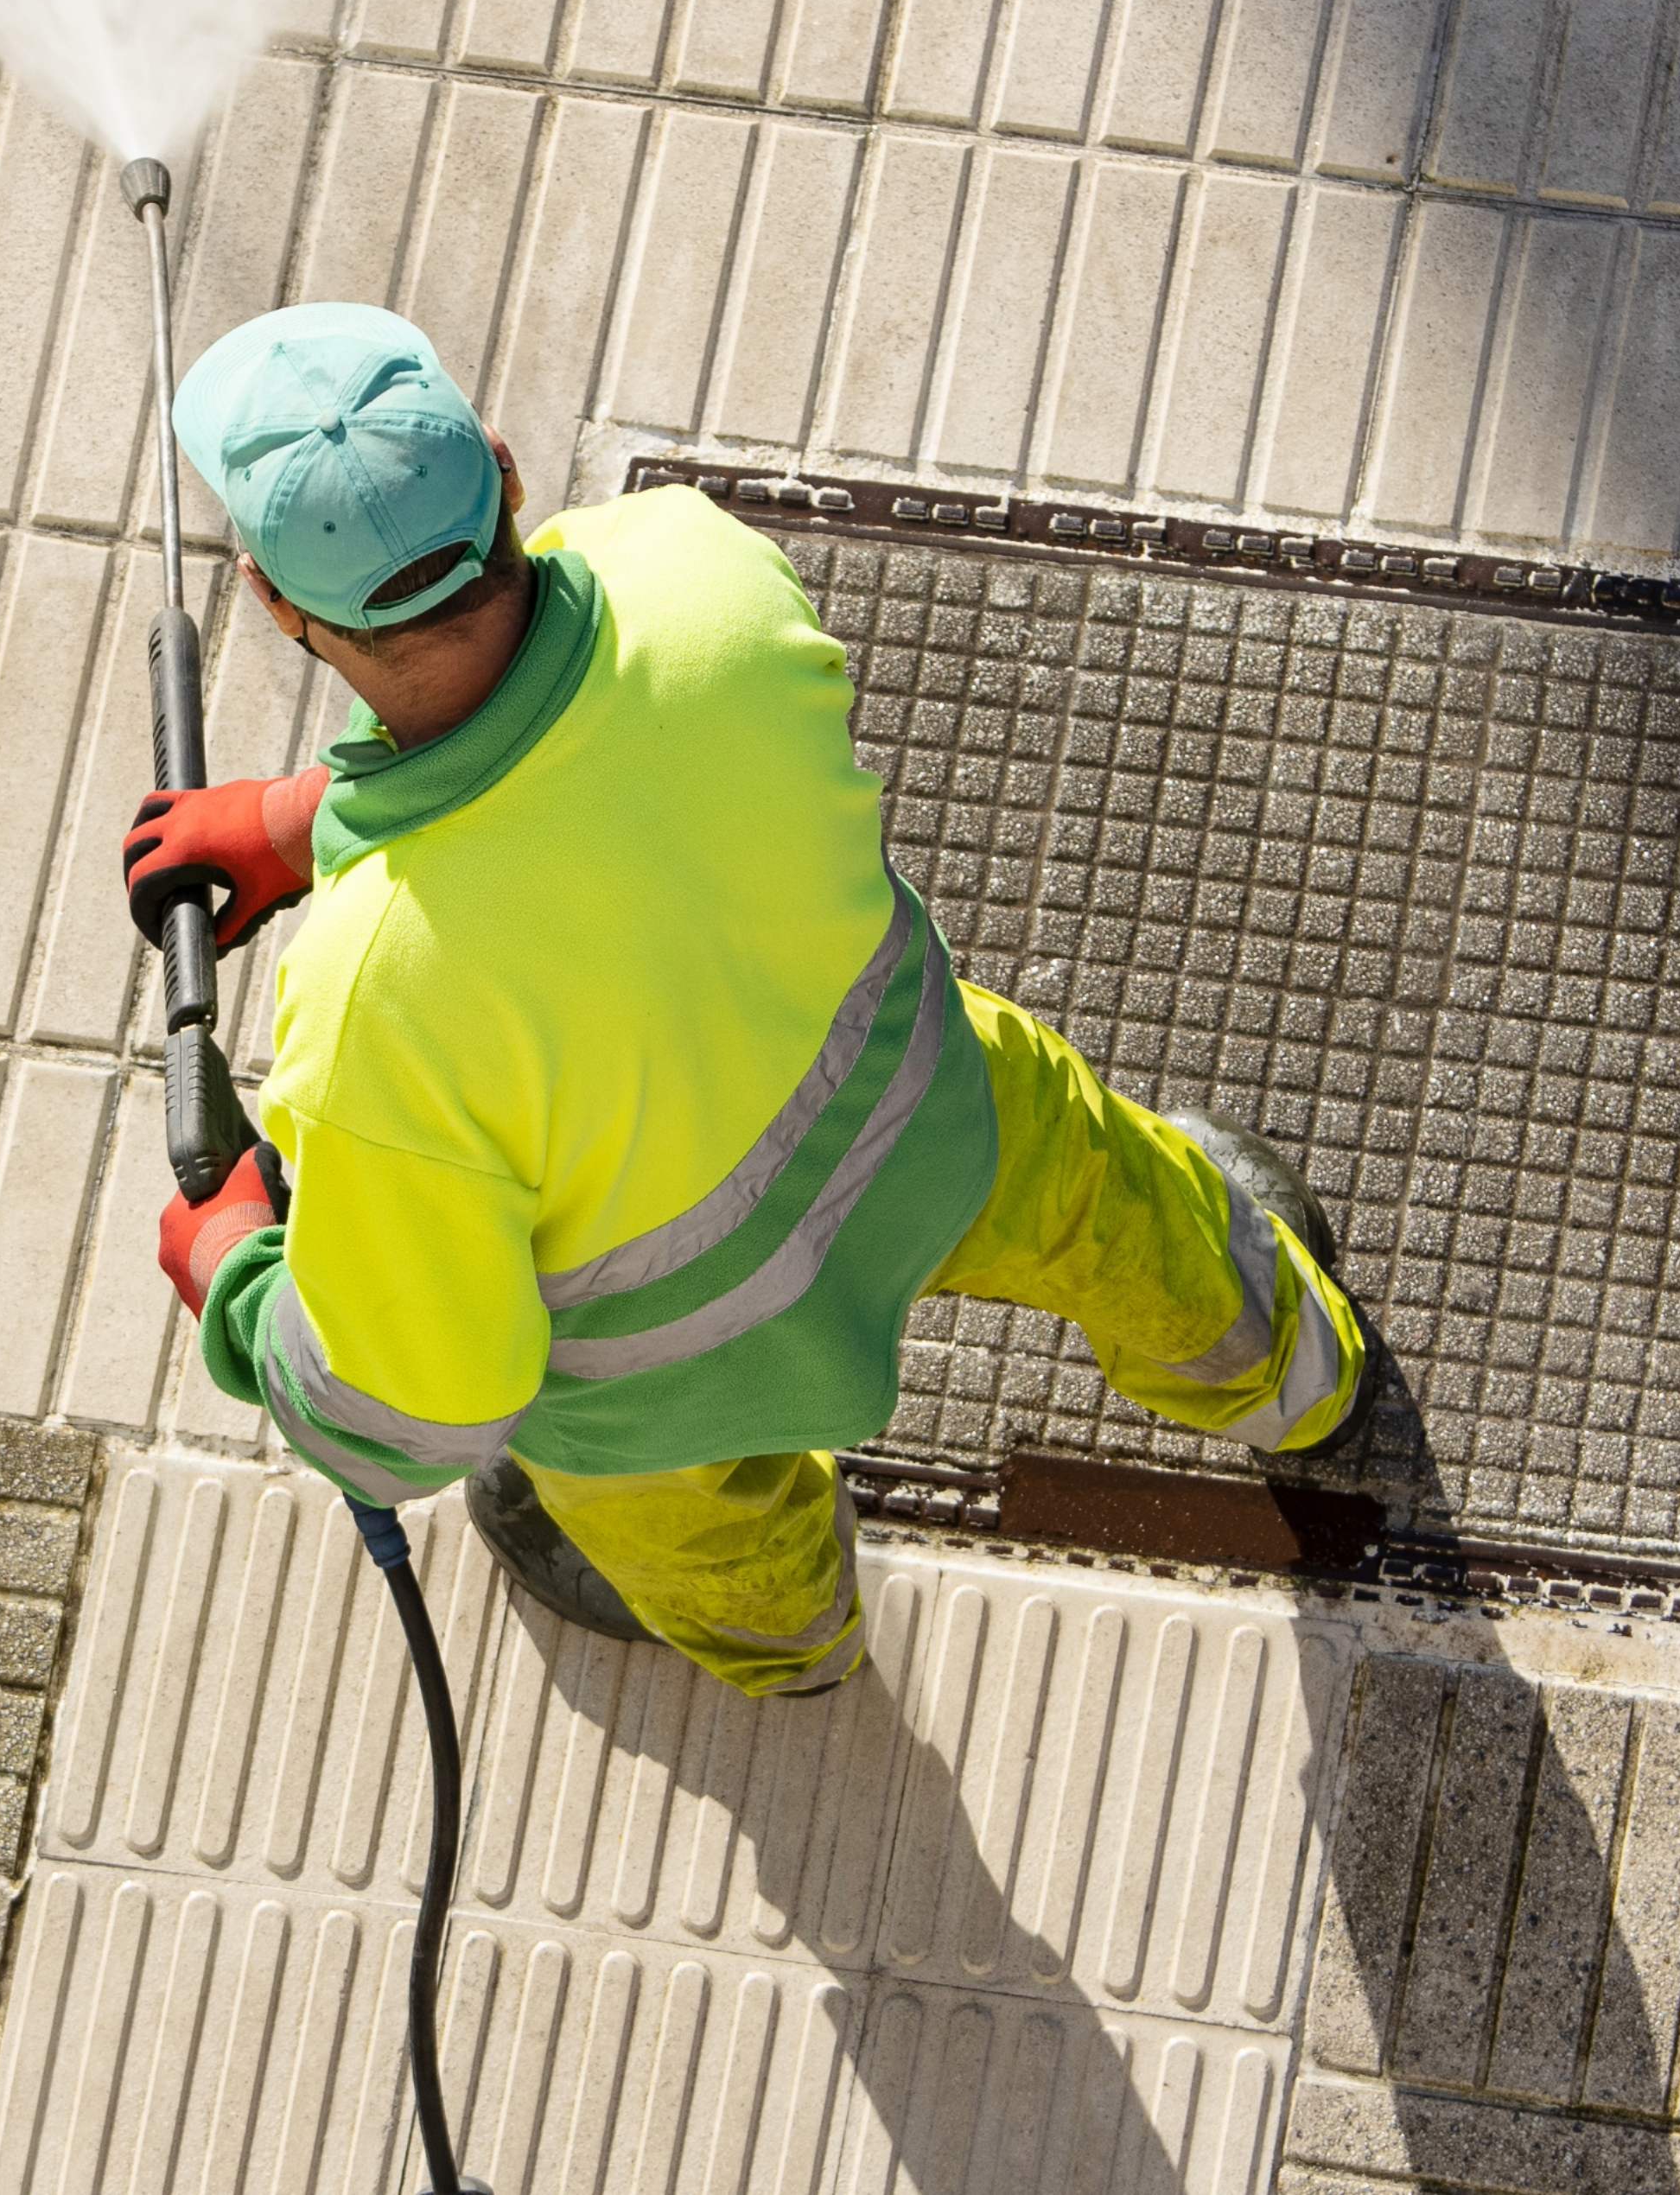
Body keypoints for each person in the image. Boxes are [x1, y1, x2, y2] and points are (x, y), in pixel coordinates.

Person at [124, 303, 1380, 1696]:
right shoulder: (694, 568)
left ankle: (795, 1656)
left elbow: (409, 1416)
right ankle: (1299, 1377)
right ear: (506, 471)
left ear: (271, 601)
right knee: (1124, 1209)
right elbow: (590, 775)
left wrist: (237, 1278)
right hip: (927, 1108)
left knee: (708, 1541)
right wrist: (314, 818)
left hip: (665, 1375)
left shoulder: (370, 1004)